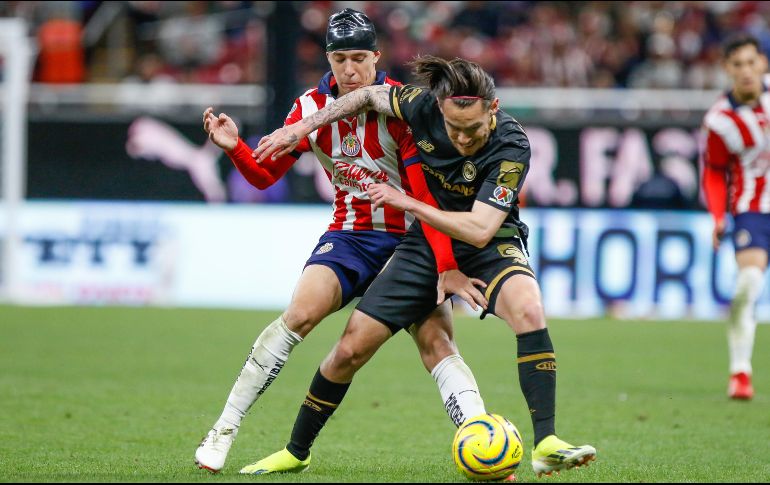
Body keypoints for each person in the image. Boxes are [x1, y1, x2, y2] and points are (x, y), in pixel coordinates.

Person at [249, 55, 597, 478]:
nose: (464, 139)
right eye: (454, 129)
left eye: (473, 129)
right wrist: (305, 126)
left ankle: (545, 443)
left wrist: (406, 202)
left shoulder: (513, 144)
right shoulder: (419, 104)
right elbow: (366, 96)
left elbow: (480, 229)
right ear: (439, 108)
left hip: (490, 241)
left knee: (529, 309)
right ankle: (296, 451)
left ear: (494, 108)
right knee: (349, 349)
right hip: (426, 247)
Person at [194, 8, 490, 474]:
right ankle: (224, 429)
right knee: (299, 315)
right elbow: (263, 177)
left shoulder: (402, 106)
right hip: (349, 235)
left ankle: (481, 435)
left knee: (436, 341)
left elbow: (423, 196)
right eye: (339, 59)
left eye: (358, 58)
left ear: (377, 56)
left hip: (410, 241)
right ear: (328, 60)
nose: (349, 70)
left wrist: (444, 262)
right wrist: (235, 149)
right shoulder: (308, 108)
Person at [702, 34, 770, 401]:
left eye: (751, 62)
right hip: (752, 212)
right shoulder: (720, 120)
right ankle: (740, 372)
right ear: (727, 70)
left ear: (763, 63)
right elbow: (714, 171)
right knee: (748, 285)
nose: (746, 71)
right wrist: (717, 217)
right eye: (737, 65)